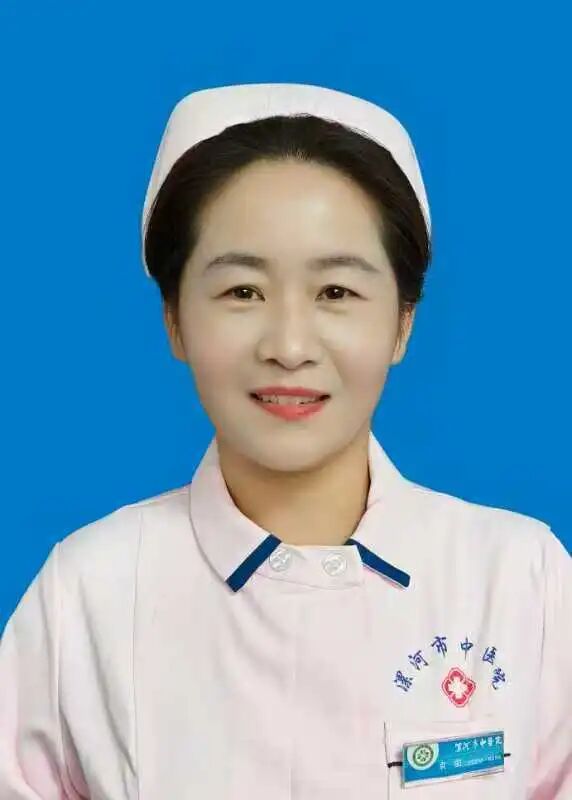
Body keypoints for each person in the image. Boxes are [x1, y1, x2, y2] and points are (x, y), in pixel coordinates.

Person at [0, 82, 570, 799]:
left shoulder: (520, 581)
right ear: (174, 319)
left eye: (336, 293)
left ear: (403, 322)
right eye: (242, 292)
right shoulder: (88, 592)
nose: (290, 346)